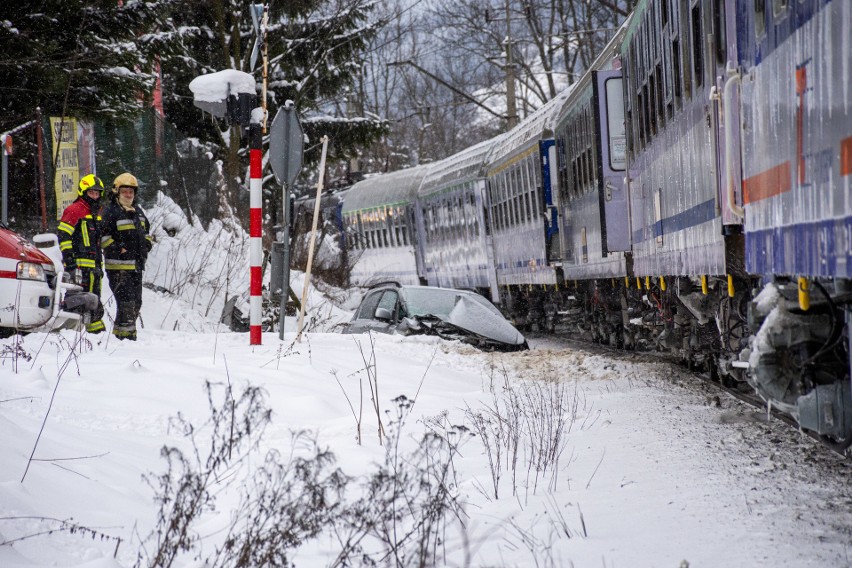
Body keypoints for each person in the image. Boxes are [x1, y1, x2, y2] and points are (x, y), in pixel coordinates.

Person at [100, 172, 152, 340]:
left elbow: (147, 232)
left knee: (136, 303)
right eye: (125, 192)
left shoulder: (138, 212)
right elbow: (103, 237)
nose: (128, 195)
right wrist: (118, 248)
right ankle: (127, 339)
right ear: (117, 192)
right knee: (126, 303)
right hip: (118, 267)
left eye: (131, 191)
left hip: (136, 266)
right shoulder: (110, 212)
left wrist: (147, 244)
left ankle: (119, 336)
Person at [57, 173, 106, 333]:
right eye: (91, 192)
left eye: (97, 193)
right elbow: (64, 236)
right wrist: (69, 259)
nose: (95, 196)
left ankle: (95, 336)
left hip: (94, 268)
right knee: (76, 302)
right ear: (83, 192)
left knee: (94, 302)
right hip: (78, 267)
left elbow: (97, 243)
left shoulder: (97, 214)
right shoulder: (74, 210)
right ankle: (70, 335)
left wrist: (99, 265)